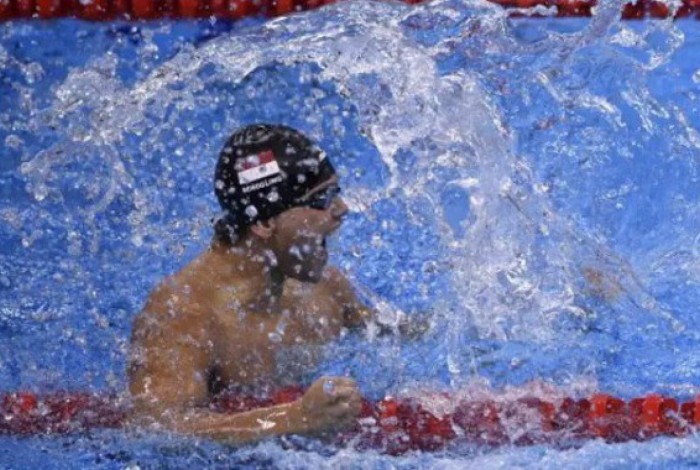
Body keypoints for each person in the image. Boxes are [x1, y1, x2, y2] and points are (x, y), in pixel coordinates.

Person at [128, 123, 427, 445]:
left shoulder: (325, 287)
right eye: (323, 198)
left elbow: (388, 331)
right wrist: (293, 418)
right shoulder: (185, 312)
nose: (342, 209)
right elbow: (157, 428)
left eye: (337, 192)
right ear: (264, 221)